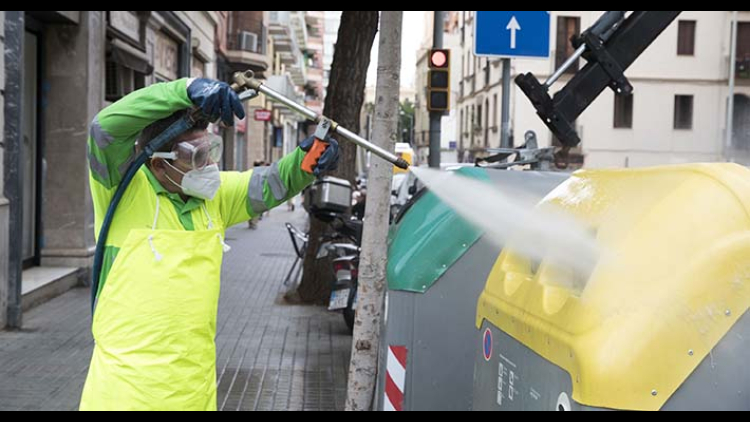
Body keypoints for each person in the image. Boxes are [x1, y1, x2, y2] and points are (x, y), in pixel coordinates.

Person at [80, 77, 338, 411]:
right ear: (158, 162)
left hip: (195, 393)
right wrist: (184, 89)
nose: (211, 166)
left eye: (211, 151)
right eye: (198, 156)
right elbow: (104, 129)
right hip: (125, 396)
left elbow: (271, 182)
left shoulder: (212, 199)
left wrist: (306, 163)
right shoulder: (123, 191)